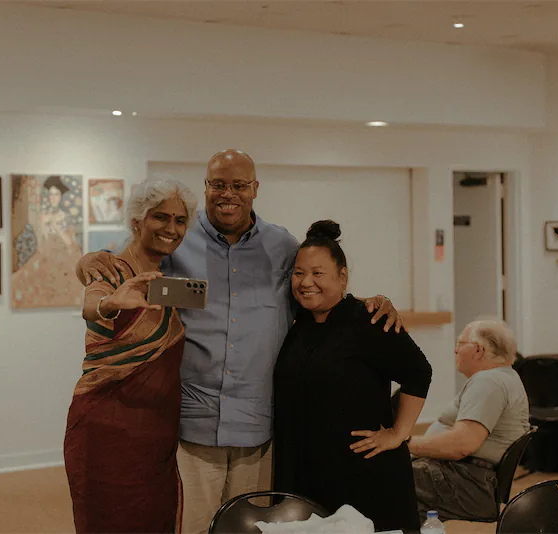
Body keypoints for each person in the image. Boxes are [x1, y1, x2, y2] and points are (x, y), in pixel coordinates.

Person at [75, 149, 404, 534]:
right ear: (207, 187)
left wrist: (365, 303)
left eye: (239, 185)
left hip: (257, 431)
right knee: (193, 529)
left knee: (250, 530)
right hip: (191, 429)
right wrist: (87, 260)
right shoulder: (178, 237)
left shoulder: (282, 246)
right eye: (218, 184)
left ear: (255, 189)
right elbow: (124, 261)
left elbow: (314, 289)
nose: (228, 193)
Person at [273, 220, 432, 533]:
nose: (307, 282)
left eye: (318, 273)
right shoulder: (298, 323)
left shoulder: (369, 321)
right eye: (299, 272)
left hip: (362, 476)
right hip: (307, 474)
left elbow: (419, 372)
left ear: (342, 276)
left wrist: (398, 433)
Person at [63, 178, 197, 533]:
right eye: (160, 217)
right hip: (109, 433)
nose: (171, 228)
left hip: (156, 435)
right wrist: (109, 304)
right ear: (137, 221)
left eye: (179, 220)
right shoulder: (111, 269)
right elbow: (93, 303)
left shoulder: (168, 279)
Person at [408, 319, 529, 522]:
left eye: (459, 344)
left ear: (478, 350)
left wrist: (404, 443)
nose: (455, 351)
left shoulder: (489, 382)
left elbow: (461, 445)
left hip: (468, 482)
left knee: (380, 478)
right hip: (469, 478)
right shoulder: (504, 377)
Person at [12, 175, 83, 308]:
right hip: (46, 256)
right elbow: (41, 243)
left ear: (61, 196)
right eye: (51, 195)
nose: (53, 198)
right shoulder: (43, 217)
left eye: (56, 194)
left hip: (65, 258)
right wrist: (45, 227)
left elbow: (70, 244)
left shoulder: (65, 217)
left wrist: (58, 229)